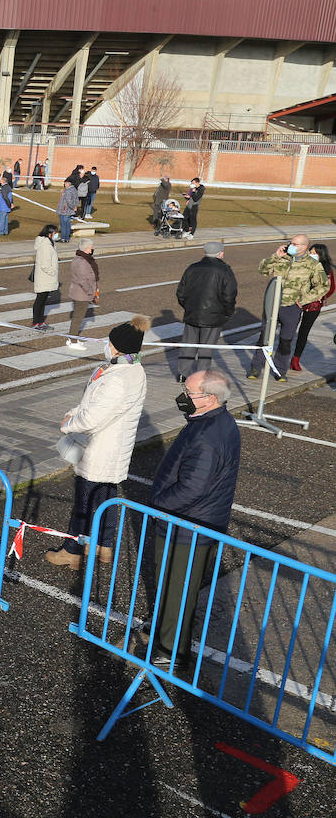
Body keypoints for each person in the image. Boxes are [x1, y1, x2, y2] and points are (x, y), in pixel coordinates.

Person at [140, 369, 240, 667]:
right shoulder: (213, 422)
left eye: (189, 392)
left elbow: (193, 487)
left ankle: (172, 651)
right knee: (171, 584)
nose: (183, 397)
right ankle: (165, 631)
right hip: (190, 522)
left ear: (209, 399)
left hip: (189, 525)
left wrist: (157, 502)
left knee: (178, 589)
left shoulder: (209, 435)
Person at [45, 316, 150, 569]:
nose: (106, 344)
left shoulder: (117, 377)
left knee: (84, 503)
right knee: (107, 497)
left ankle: (73, 550)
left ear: (117, 346)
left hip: (100, 448)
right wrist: (75, 411)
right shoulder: (132, 369)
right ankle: (103, 546)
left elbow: (92, 417)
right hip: (113, 447)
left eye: (110, 341)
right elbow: (92, 403)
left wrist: (68, 424)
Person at [247, 235, 327, 381]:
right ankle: (255, 368)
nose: (290, 245)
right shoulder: (283, 257)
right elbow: (263, 270)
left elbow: (323, 286)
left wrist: (304, 300)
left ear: (303, 247)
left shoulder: (312, 264)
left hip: (292, 307)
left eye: (295, 244)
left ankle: (280, 371)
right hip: (272, 305)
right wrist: (275, 256)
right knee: (264, 337)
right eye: (290, 243)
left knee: (286, 339)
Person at [174, 241, 237, 379]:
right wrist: (227, 312)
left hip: (192, 314)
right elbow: (229, 296)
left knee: (188, 345)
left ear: (204, 252)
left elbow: (181, 293)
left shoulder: (192, 268)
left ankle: (182, 374)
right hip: (214, 317)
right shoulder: (225, 270)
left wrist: (189, 307)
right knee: (206, 349)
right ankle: (200, 376)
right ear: (221, 254)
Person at [292, 243, 333, 372]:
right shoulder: (303, 264)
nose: (311, 254)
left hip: (313, 305)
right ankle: (283, 356)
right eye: (310, 252)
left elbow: (331, 288)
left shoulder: (326, 269)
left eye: (314, 253)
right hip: (297, 302)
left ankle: (296, 359)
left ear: (321, 255)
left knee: (303, 332)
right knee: (288, 330)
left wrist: (321, 295)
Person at [63, 239, 100, 351]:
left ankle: (72, 338)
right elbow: (83, 280)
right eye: (91, 247)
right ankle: (73, 341)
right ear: (86, 248)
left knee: (78, 316)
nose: (92, 248)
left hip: (80, 292)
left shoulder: (82, 259)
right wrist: (91, 292)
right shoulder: (82, 262)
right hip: (81, 294)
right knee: (78, 317)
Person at [30, 224, 60, 329]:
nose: (57, 235)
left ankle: (40, 321)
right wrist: (54, 272)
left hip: (46, 277)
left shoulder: (49, 244)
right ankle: (35, 322)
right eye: (55, 233)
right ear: (49, 234)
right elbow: (45, 265)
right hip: (45, 277)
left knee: (43, 301)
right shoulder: (46, 246)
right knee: (40, 300)